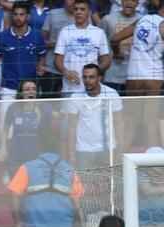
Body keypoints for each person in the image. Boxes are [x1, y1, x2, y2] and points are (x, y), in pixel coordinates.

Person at [6, 130, 83, 227]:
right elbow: (77, 204)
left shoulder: (27, 167)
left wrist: (18, 223)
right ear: (59, 149)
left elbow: (14, 196)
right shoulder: (69, 169)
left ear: (39, 147)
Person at [0, 2, 47, 129]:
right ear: (11, 16)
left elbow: (42, 55)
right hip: (8, 87)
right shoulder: (2, 36)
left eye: (21, 14)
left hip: (30, 89)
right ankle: (4, 149)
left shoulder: (37, 36)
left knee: (31, 126)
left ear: (28, 17)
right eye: (15, 14)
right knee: (4, 125)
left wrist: (41, 66)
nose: (18, 17)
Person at [113, 0, 164, 147]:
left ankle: (121, 161)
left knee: (130, 121)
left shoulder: (142, 20)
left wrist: (117, 54)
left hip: (133, 75)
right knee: (150, 121)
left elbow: (114, 39)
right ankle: (154, 164)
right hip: (154, 76)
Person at [65, 62, 121, 170]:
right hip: (83, 149)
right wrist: (71, 155)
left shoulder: (112, 94)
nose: (87, 81)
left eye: (91, 77)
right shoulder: (75, 97)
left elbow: (119, 123)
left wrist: (119, 149)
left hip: (107, 148)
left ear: (99, 78)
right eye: (85, 77)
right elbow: (71, 127)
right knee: (85, 184)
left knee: (108, 183)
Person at [53, 0, 110, 97]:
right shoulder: (65, 31)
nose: (78, 12)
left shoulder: (99, 32)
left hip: (92, 89)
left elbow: (106, 60)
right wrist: (66, 72)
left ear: (89, 12)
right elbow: (57, 61)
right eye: (76, 9)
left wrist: (95, 73)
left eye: (82, 9)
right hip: (69, 88)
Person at [98, 0, 138, 95]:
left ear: (138, 3)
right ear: (121, 2)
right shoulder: (108, 19)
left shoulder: (142, 21)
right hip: (111, 75)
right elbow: (99, 43)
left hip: (132, 76)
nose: (129, 3)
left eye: (133, 0)